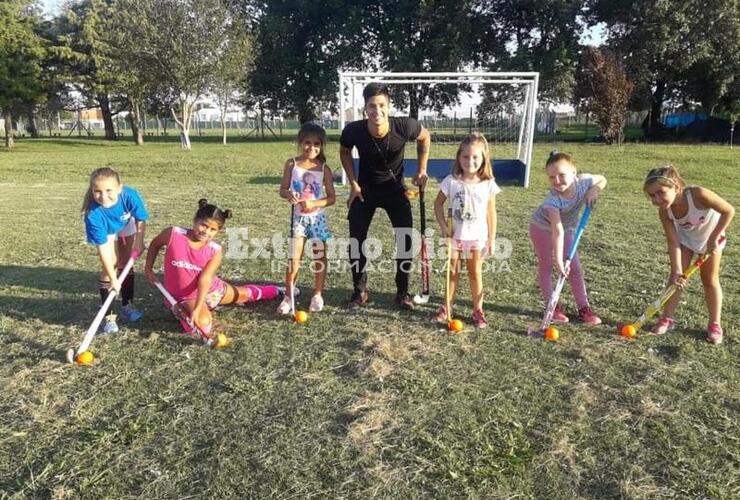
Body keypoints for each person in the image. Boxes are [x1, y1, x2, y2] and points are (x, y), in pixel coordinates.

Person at [339, 82, 431, 310]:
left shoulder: (405, 126)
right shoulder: (353, 130)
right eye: (372, 105)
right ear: (365, 107)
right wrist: (353, 184)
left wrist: (421, 169)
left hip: (395, 190)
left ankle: (402, 292)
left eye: (381, 105)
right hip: (365, 190)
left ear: (389, 105)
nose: (376, 111)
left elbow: (425, 137)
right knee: (356, 240)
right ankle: (359, 292)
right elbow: (344, 151)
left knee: (405, 240)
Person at [145, 199, 284, 339]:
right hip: (185, 298)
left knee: (242, 295)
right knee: (202, 325)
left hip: (211, 291)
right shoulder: (173, 234)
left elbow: (205, 280)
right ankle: (181, 311)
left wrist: (198, 308)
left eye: (213, 230)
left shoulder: (215, 251)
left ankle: (275, 291)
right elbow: (155, 244)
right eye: (203, 225)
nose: (206, 232)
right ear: (195, 221)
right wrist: (148, 269)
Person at [643, 165, 734, 344]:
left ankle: (715, 324)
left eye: (661, 192)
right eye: (652, 195)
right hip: (686, 241)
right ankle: (667, 318)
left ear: (676, 186)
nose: (657, 199)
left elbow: (728, 211)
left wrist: (714, 238)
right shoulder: (665, 211)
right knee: (675, 279)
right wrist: (677, 270)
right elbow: (673, 241)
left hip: (710, 240)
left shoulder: (698, 195)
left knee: (709, 280)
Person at [529, 151, 606, 325]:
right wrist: (559, 261)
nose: (557, 181)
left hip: (568, 229)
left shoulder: (583, 182)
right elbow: (557, 231)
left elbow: (602, 179)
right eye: (551, 177)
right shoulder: (553, 201)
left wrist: (594, 190)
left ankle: (584, 308)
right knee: (547, 266)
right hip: (542, 229)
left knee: (575, 268)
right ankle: (552, 306)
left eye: (561, 175)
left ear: (574, 172)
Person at [433, 133, 500, 328]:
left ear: (483, 159)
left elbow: (491, 212)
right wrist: (443, 226)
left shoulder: (487, 183)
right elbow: (438, 205)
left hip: (477, 238)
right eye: (465, 157)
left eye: (475, 157)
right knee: (453, 272)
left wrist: (492, 238)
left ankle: (478, 310)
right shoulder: (451, 181)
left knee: (474, 273)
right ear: (458, 157)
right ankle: (447, 306)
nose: (470, 161)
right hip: (455, 237)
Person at [277, 123, 336, 314]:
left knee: (319, 257)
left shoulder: (324, 169)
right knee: (294, 258)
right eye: (307, 143)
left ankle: (317, 294)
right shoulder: (291, 164)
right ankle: (288, 296)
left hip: (317, 221)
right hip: (298, 220)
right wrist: (289, 195)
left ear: (321, 145)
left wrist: (314, 204)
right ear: (300, 143)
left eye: (316, 144)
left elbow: (331, 198)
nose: (311, 148)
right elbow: (283, 189)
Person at [82, 167, 148, 334]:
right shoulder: (93, 214)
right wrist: (113, 279)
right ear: (92, 190)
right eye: (97, 191)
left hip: (126, 223)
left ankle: (127, 305)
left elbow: (140, 218)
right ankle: (109, 316)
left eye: (109, 190)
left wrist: (139, 241)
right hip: (107, 229)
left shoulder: (129, 195)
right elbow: (102, 249)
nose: (103, 196)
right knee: (109, 266)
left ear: (119, 188)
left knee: (126, 263)